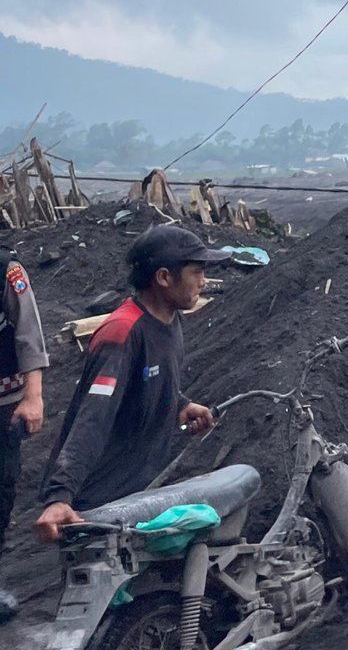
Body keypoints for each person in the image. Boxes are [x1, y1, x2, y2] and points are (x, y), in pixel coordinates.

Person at [35, 227, 228, 541]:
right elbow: (92, 418)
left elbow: (144, 379)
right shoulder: (122, 332)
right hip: (98, 503)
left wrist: (179, 404)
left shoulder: (170, 320)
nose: (203, 282)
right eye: (197, 272)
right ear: (163, 277)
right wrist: (60, 496)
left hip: (137, 490)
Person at [0, 247, 47, 623]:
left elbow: (28, 334)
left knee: (1, 490)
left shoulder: (7, 270)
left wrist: (34, 397)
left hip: (3, 403)